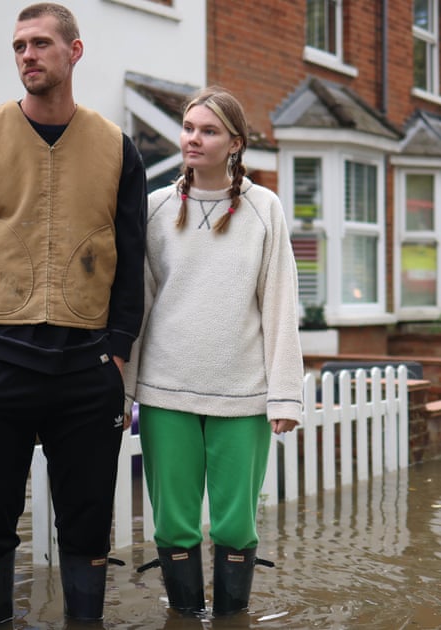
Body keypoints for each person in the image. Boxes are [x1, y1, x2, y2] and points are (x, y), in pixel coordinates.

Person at [0, 2, 146, 624]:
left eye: (41, 43)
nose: (28, 55)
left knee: (87, 527)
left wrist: (118, 351)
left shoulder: (116, 150)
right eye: (19, 45)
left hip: (86, 369)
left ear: (74, 52)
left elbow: (131, 260)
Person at [125, 86, 303, 618]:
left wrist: (285, 396)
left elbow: (278, 301)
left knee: (234, 524)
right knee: (173, 523)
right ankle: (183, 617)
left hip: (242, 392)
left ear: (235, 143)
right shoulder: (155, 208)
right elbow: (137, 305)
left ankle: (230, 619)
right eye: (188, 128)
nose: (193, 139)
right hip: (165, 391)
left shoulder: (263, 208)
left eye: (208, 130)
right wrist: (123, 388)